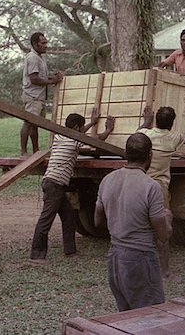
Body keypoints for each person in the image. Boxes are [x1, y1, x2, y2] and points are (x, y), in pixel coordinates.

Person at [94, 133, 173, 312]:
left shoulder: (107, 180)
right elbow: (163, 235)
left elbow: (98, 221)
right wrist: (167, 218)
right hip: (140, 259)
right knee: (151, 318)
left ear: (125, 153)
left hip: (114, 258)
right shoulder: (151, 186)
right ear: (150, 156)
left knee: (127, 318)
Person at [29, 108, 115, 264]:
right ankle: (36, 254)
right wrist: (108, 129)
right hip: (55, 184)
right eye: (82, 128)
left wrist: (90, 123)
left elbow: (79, 134)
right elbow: (96, 140)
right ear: (76, 128)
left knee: (68, 216)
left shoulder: (59, 137)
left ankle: (70, 251)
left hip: (54, 184)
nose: (83, 130)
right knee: (46, 219)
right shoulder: (74, 141)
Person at [137, 103, 185, 281]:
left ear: (156, 120)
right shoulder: (173, 139)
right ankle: (165, 272)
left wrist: (146, 121)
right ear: (172, 124)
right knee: (162, 231)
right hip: (159, 189)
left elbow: (137, 134)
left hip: (141, 186)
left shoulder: (145, 135)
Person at [20, 32, 64, 158]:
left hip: (39, 96)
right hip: (33, 96)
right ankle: (23, 152)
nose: (46, 45)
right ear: (35, 44)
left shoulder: (39, 58)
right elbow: (34, 79)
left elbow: (41, 77)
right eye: (43, 43)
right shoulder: (33, 58)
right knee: (28, 122)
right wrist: (51, 81)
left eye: (46, 43)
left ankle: (36, 151)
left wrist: (53, 77)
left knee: (35, 124)